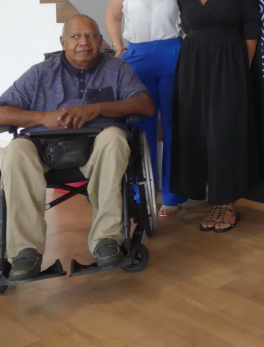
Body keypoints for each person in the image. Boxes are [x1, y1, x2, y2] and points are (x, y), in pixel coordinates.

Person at [0, 15, 154, 279]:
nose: (84, 42)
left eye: (91, 36)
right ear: (63, 42)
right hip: (44, 149)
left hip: (97, 147)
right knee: (14, 152)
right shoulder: (39, 73)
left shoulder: (117, 69)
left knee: (115, 138)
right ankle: (25, 252)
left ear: (100, 40)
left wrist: (97, 108)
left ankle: (106, 240)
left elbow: (145, 105)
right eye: (75, 36)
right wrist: (43, 118)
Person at [171, 0, 259, 233]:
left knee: (224, 130)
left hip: (229, 61)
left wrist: (240, 68)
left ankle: (227, 202)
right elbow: (186, 26)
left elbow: (251, 29)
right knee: (195, 128)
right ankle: (206, 197)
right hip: (193, 63)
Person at [105, 0, 187, 217]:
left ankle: (173, 195)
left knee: (175, 124)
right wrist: (118, 47)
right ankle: (142, 193)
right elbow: (113, 16)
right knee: (140, 126)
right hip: (137, 55)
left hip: (172, 53)